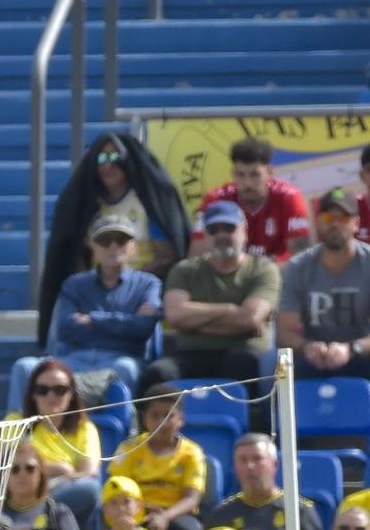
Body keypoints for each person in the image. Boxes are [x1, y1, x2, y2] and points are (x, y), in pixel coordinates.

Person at [37, 132, 185, 345]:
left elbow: (167, 256)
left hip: (139, 291)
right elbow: (74, 253)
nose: (108, 165)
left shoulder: (146, 204)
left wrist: (126, 282)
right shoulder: (86, 204)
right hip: (94, 289)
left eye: (115, 158)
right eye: (101, 159)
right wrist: (93, 286)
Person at [157, 201, 280, 406]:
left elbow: (249, 318)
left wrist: (195, 323)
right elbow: (176, 316)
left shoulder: (263, 269)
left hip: (242, 353)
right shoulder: (185, 270)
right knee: (158, 373)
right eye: (213, 230)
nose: (221, 235)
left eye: (229, 228)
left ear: (244, 232)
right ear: (205, 236)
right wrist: (230, 309)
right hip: (191, 354)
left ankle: (249, 432)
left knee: (240, 365)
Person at [31, 212, 160, 395]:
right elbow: (65, 328)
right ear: (92, 246)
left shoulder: (148, 284)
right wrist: (123, 324)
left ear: (134, 246)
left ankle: (127, 423)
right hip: (74, 359)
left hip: (121, 358)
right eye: (105, 241)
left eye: (121, 240)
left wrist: (93, 320)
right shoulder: (74, 284)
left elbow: (143, 327)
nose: (113, 246)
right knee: (25, 367)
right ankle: (18, 423)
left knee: (126, 368)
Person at [278, 189, 370, 379]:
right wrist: (306, 347)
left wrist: (352, 349)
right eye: (328, 217)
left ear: (356, 224)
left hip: (362, 354)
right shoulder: (298, 266)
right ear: (318, 222)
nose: (335, 224)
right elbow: (284, 332)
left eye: (343, 218)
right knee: (276, 366)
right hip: (314, 358)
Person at [201, 432, 325, 530]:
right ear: (235, 467)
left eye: (257, 459)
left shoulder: (298, 510)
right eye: (243, 460)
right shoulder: (222, 514)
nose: (250, 466)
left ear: (274, 465)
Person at [107, 383, 206, 530]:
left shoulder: (192, 452)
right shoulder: (128, 449)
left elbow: (192, 498)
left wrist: (165, 516)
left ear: (181, 419)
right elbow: (116, 490)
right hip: (134, 511)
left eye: (169, 415)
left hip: (176, 514)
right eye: (155, 415)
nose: (162, 422)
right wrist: (141, 509)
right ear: (145, 419)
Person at [188, 137, 309, 263]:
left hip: (277, 275)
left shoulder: (289, 197)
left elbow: (301, 258)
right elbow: (196, 257)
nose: (247, 183)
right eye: (240, 175)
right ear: (232, 173)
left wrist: (263, 274)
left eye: (255, 174)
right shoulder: (215, 199)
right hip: (231, 274)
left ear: (269, 172)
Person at [20, 358, 103, 530]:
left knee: (89, 489)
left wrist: (43, 471)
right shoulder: (16, 424)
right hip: (22, 492)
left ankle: (34, 521)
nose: (51, 396)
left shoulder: (84, 429)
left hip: (63, 496)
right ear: (33, 394)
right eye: (43, 390)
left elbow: (88, 473)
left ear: (71, 394)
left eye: (60, 390)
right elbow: (6, 466)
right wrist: (61, 469)